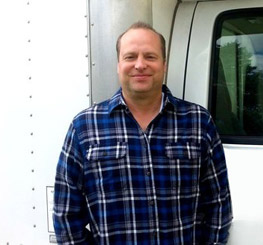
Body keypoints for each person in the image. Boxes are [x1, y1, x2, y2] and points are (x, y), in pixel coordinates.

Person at [53, 21, 233, 244]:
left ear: (164, 64)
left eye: (150, 56)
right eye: (130, 57)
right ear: (118, 65)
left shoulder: (198, 122)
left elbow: (219, 203)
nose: (140, 65)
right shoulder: (84, 127)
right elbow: (66, 213)